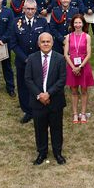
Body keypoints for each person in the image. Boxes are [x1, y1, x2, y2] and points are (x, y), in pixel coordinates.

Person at [25, 33, 67, 165]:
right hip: (37, 101)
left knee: (56, 128)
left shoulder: (60, 58)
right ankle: (42, 153)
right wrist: (40, 95)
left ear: (52, 43)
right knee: (40, 128)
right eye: (43, 42)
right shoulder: (31, 58)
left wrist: (48, 94)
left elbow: (62, 80)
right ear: (38, 44)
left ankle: (57, 152)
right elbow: (28, 79)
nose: (45, 44)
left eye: (48, 41)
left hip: (55, 100)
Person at [11, 0, 49, 124]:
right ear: (23, 9)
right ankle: (27, 110)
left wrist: (36, 57)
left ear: (36, 9)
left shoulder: (42, 22)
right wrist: (25, 58)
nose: (30, 11)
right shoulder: (16, 22)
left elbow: (46, 41)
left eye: (33, 9)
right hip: (23, 61)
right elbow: (13, 43)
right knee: (23, 86)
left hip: (39, 60)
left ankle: (39, 107)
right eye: (28, 9)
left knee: (39, 85)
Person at [64, 14, 94, 124]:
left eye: (79, 22)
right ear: (72, 24)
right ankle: (75, 114)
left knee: (84, 91)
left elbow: (89, 54)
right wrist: (73, 67)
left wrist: (80, 67)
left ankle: (83, 113)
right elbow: (66, 54)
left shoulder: (87, 36)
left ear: (83, 24)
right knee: (74, 91)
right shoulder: (68, 37)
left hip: (84, 65)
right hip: (72, 66)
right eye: (75, 23)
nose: (77, 25)